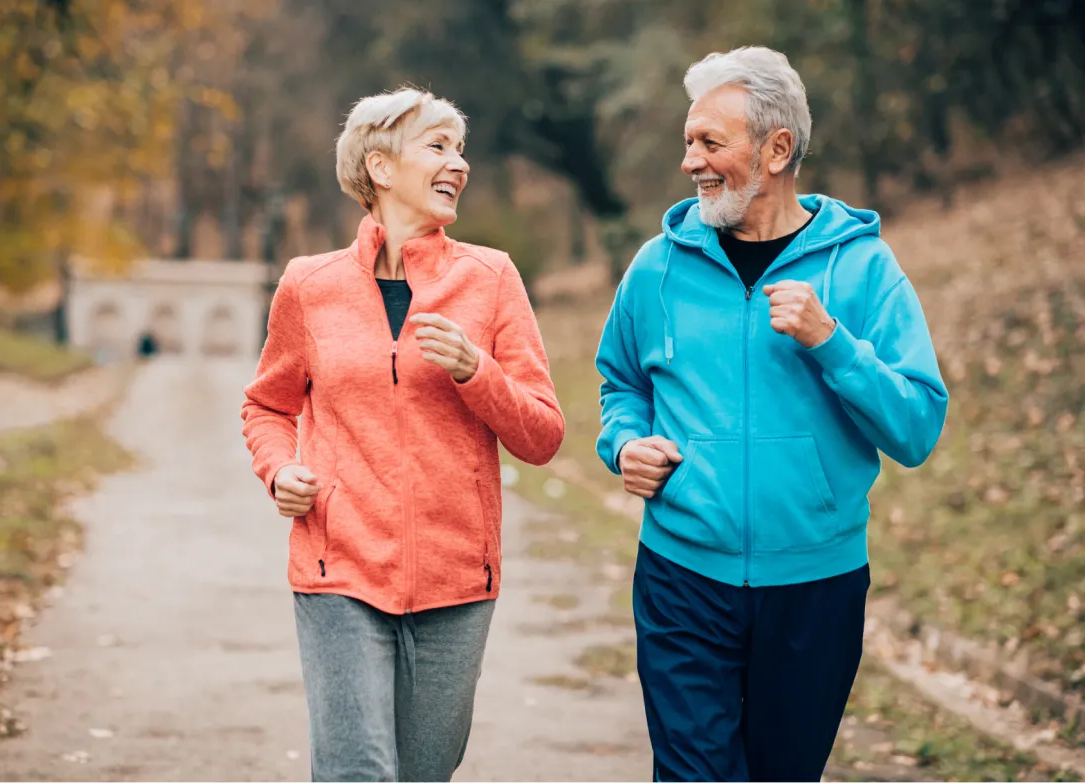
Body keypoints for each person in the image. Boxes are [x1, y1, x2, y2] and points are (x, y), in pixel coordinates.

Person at [595, 46, 948, 781]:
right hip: (681, 575)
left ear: (776, 148)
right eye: (687, 141)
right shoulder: (656, 266)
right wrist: (623, 441)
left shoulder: (861, 269)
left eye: (709, 142)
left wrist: (832, 344)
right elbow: (619, 383)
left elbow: (916, 427)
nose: (690, 160)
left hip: (815, 585)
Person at [240, 87, 564, 782]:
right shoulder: (309, 284)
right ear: (380, 168)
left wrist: (476, 370)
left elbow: (541, 435)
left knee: (421, 773)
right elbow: (267, 406)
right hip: (338, 567)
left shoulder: (490, 278)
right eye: (439, 146)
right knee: (358, 771)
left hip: (456, 579)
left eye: (461, 149)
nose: (460, 164)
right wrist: (278, 471)